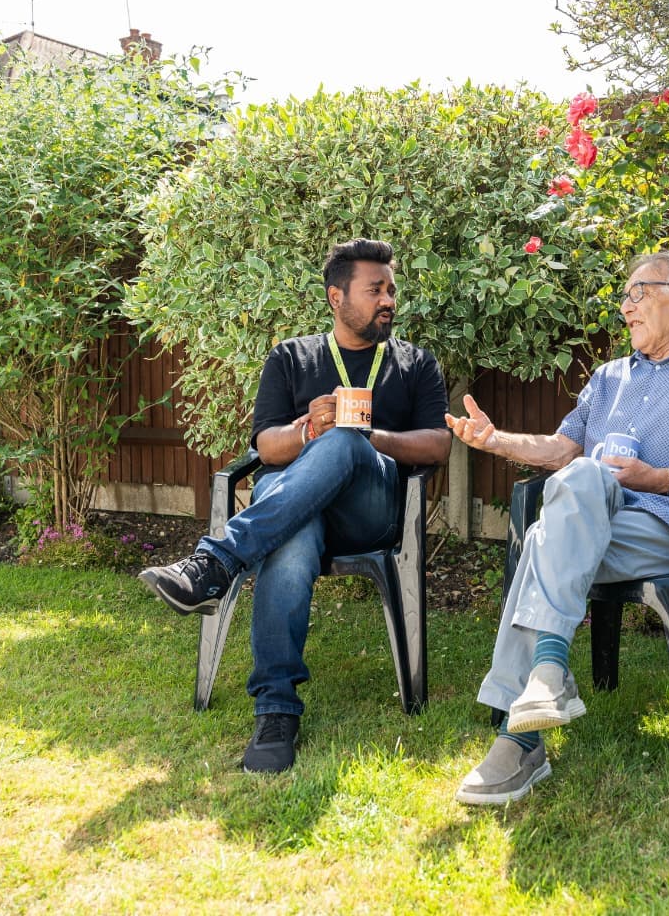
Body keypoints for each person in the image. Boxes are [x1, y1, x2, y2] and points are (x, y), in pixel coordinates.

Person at [446, 251, 669, 804]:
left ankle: (522, 729)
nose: (625, 308)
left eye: (637, 293)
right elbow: (561, 449)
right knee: (576, 487)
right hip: (589, 525)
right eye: (623, 297)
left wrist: (664, 478)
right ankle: (540, 693)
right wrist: (496, 440)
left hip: (668, 526)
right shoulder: (607, 379)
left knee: (541, 539)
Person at [139, 238, 451, 773]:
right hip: (294, 512)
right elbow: (266, 448)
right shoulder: (291, 357)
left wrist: (369, 437)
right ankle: (276, 713)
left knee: (348, 441)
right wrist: (309, 429)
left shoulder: (415, 363)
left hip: (370, 513)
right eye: (375, 289)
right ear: (336, 296)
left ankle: (217, 561)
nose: (388, 301)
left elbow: (438, 445)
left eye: (391, 291)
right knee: (292, 535)